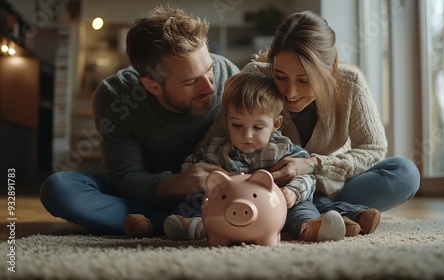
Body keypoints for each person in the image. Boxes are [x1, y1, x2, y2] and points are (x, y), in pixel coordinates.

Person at [39, 5, 240, 235]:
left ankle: (156, 223)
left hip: (209, 194)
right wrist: (177, 183)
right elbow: (125, 177)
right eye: (191, 82)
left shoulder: (228, 75)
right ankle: (176, 222)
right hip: (147, 193)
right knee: (59, 189)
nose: (210, 86)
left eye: (209, 68)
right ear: (151, 85)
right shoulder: (116, 96)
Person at [213, 11, 421, 233]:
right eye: (280, 77)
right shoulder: (255, 77)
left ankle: (319, 214)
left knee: (404, 173)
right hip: (274, 190)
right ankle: (341, 214)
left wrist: (313, 164)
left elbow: (373, 147)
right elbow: (219, 136)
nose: (290, 92)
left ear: (329, 71)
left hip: (332, 185)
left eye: (304, 80)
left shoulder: (350, 83)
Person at [125, 71, 379, 241]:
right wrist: (202, 183)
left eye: (258, 128)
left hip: (274, 206)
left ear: (276, 124)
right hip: (226, 205)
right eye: (237, 126)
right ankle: (161, 225)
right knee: (189, 208)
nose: (247, 135)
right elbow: (191, 171)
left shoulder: (284, 149)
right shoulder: (215, 149)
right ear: (226, 121)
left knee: (303, 208)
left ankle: (311, 228)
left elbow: (309, 178)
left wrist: (291, 193)